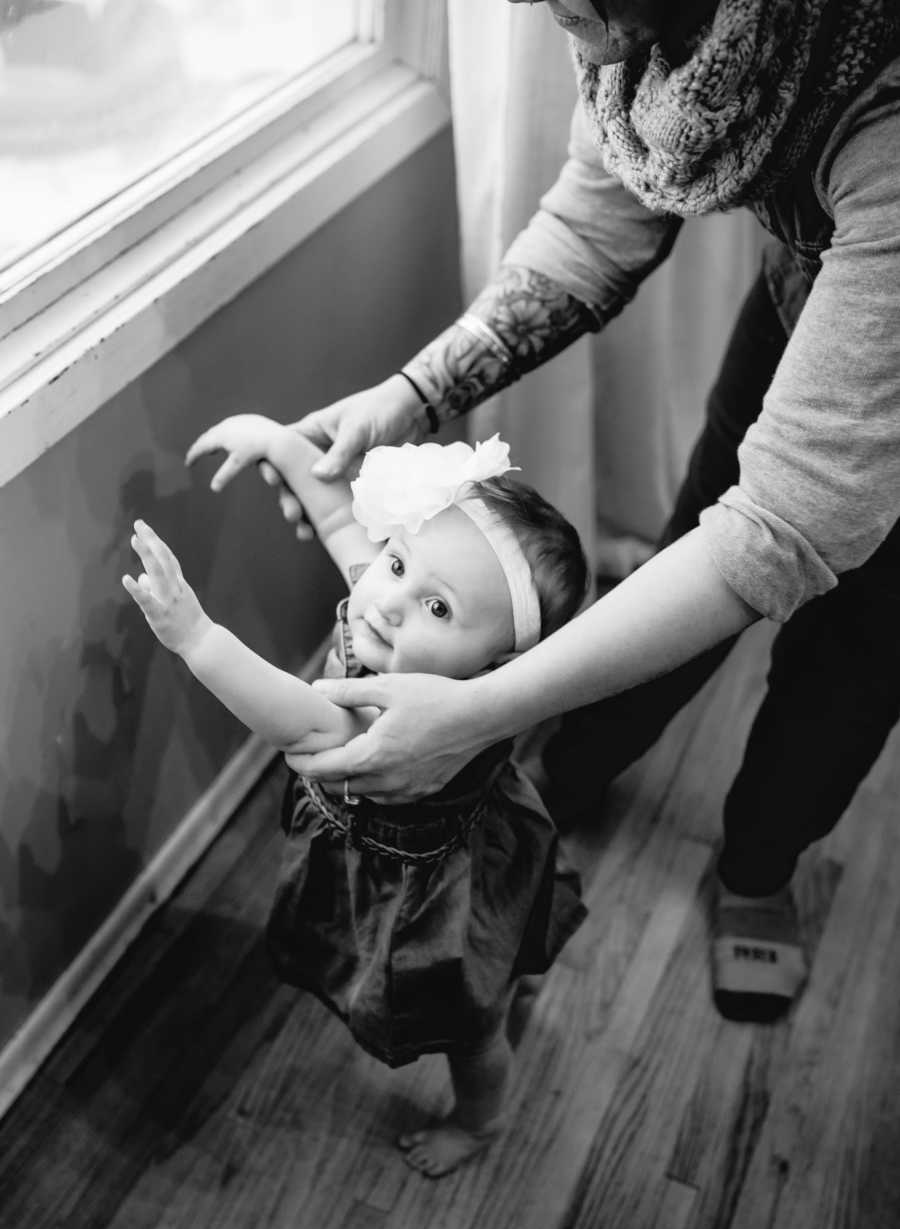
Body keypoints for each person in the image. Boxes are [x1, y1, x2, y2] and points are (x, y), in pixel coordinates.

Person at [254, 0, 900, 1024]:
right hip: (806, 283)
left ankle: (761, 862)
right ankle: (581, 757)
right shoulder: (644, 56)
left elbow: (781, 528)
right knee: (696, 529)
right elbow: (593, 231)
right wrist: (408, 396)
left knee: (854, 650)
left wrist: (474, 714)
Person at [122, 415, 588, 1177]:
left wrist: (195, 634)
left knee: (471, 1031)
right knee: (504, 943)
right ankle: (515, 971)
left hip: (430, 896)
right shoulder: (397, 620)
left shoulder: (384, 711)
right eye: (400, 562)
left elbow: (284, 709)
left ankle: (481, 1121)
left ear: (497, 663)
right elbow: (341, 518)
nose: (391, 599)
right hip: (493, 847)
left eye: (439, 609)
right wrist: (280, 444)